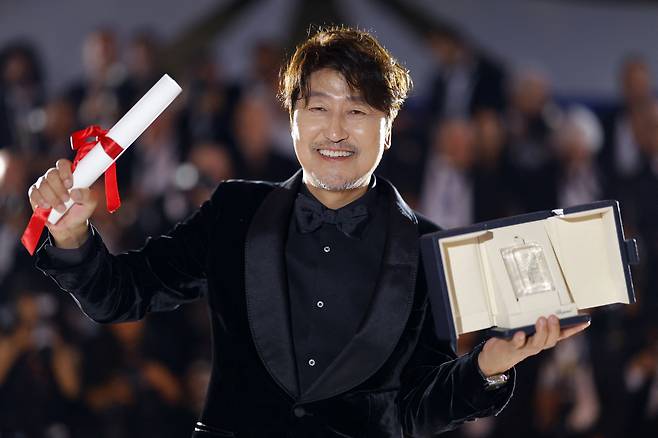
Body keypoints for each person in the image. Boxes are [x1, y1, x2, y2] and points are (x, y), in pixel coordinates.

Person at [27, 27, 588, 437]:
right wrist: (76, 237)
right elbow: (122, 294)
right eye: (318, 107)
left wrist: (486, 369)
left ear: (388, 130)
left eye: (360, 111)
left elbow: (416, 408)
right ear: (290, 118)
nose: (337, 130)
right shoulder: (234, 211)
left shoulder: (429, 250)